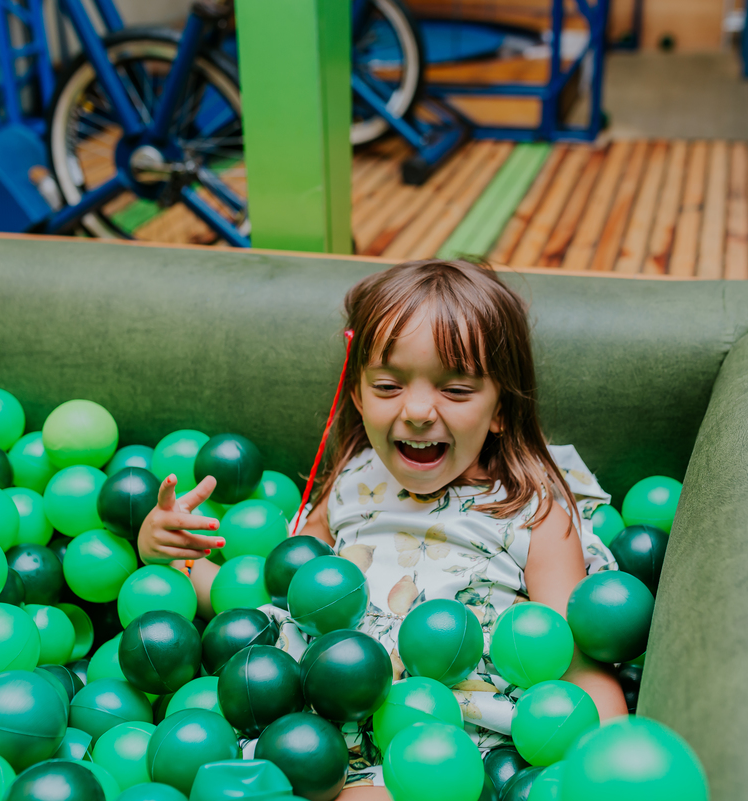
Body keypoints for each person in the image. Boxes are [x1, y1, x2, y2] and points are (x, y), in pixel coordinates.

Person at [138, 259, 628, 792]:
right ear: (358, 393)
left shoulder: (532, 514)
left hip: (440, 745)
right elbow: (270, 596)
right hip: (306, 722)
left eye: (457, 390)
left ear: (501, 407)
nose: (418, 410)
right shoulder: (352, 483)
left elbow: (577, 666)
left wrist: (609, 765)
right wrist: (174, 555)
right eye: (389, 384)